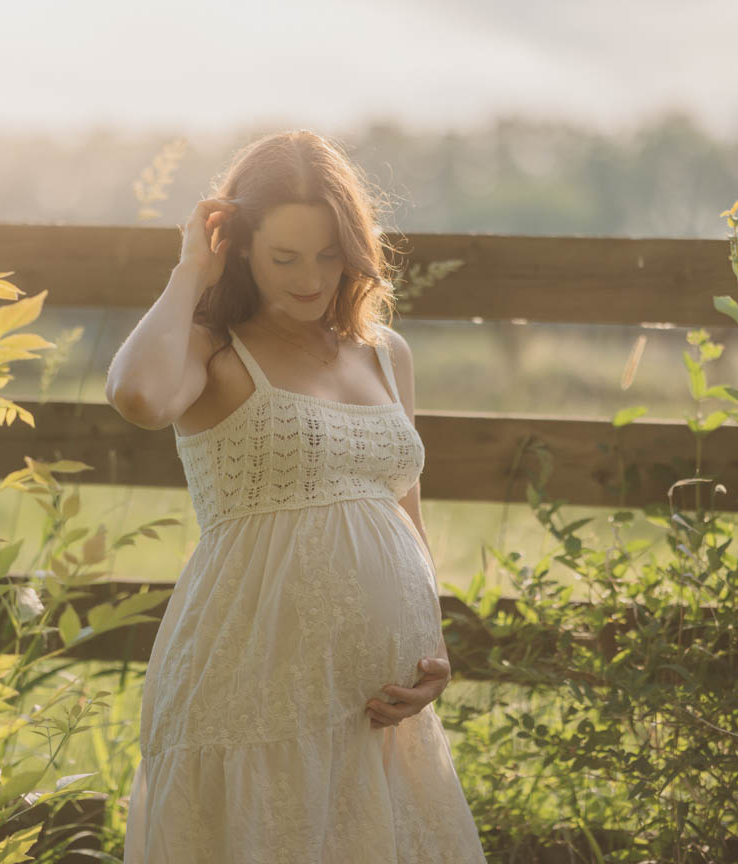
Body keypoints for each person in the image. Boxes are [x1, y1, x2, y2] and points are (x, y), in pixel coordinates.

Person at [105, 130, 485, 862]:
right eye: (285, 257)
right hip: (249, 692)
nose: (311, 279)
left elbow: (405, 508)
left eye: (330, 254)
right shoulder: (212, 347)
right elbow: (138, 395)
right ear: (239, 247)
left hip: (375, 710)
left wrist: (430, 646)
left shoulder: (385, 354)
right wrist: (189, 270)